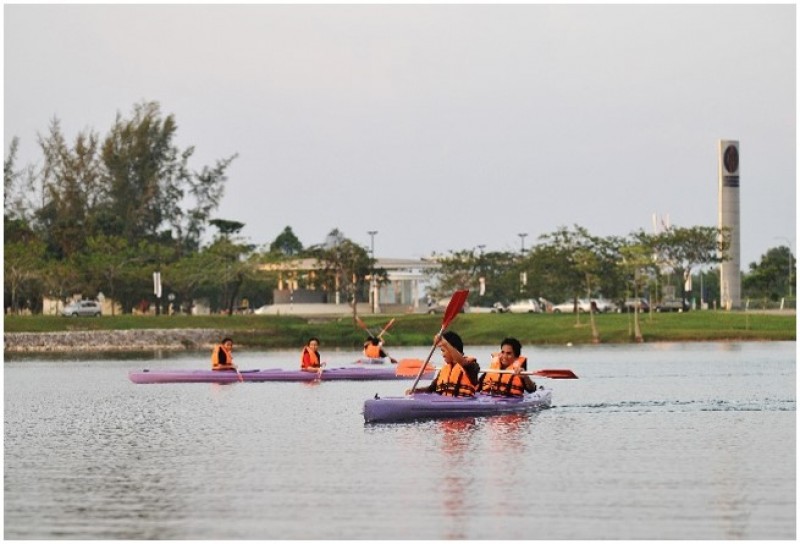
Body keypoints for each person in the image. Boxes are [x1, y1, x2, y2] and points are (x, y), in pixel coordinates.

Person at [407, 331, 480, 397]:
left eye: (443, 350)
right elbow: (431, 389)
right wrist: (415, 391)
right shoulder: (444, 370)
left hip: (463, 406)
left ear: (452, 349)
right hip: (445, 406)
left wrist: (445, 343)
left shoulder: (471, 366)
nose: (442, 354)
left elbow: (463, 363)